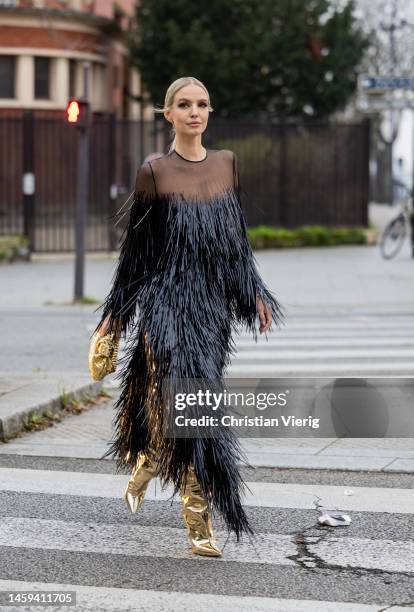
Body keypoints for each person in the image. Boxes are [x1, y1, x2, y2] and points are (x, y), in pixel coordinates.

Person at [93, 76, 286, 557]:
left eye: (201, 104)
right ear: (169, 114)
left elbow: (236, 243)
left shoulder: (226, 165)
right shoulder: (153, 171)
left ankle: (150, 458)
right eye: (184, 105)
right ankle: (198, 518)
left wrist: (255, 293)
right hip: (165, 301)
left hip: (211, 309)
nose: (194, 112)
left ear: (209, 111)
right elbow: (134, 255)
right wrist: (115, 316)